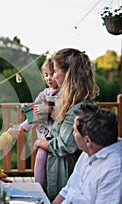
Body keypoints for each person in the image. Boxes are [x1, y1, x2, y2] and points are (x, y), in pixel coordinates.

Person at [33, 48, 99, 200]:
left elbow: (63, 146)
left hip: (65, 172)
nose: (53, 76)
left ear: (68, 74)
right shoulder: (69, 102)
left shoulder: (79, 108)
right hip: (57, 170)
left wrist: (39, 142)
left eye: (55, 71)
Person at [52, 104, 122, 203]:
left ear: (87, 140)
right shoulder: (89, 151)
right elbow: (67, 190)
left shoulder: (114, 170)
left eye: (75, 131)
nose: (73, 134)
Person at [20, 57, 60, 188]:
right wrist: (23, 127)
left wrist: (50, 109)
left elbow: (64, 110)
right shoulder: (43, 94)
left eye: (53, 74)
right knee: (40, 158)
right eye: (46, 75)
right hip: (44, 136)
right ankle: (38, 186)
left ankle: (44, 186)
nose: (49, 78)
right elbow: (34, 113)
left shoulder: (64, 94)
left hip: (57, 136)